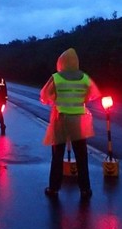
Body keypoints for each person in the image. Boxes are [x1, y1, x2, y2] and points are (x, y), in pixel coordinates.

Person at [40, 48, 101, 200]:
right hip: (79, 121)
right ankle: (85, 189)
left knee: (57, 156)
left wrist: (55, 99)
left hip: (61, 120)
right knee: (82, 156)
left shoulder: (57, 78)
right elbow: (92, 94)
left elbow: (44, 96)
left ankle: (54, 188)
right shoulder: (84, 77)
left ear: (61, 62)